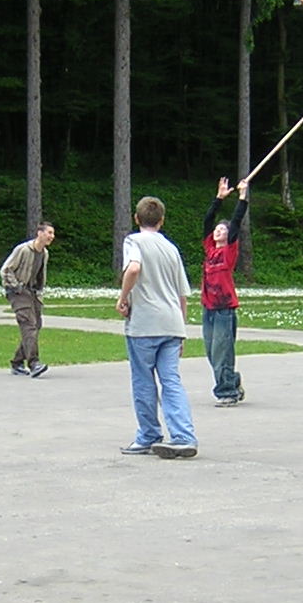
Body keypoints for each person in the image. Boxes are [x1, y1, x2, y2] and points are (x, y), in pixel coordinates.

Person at [116, 196, 198, 459]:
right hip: (171, 322)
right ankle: (183, 435)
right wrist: (182, 330)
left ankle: (149, 434)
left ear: (136, 218)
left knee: (143, 380)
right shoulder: (171, 248)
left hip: (145, 323)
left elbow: (133, 269)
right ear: (161, 221)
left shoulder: (134, 241)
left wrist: (123, 297)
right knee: (171, 380)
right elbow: (182, 294)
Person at [201, 176, 249, 405]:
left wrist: (242, 196)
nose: (218, 231)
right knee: (212, 353)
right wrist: (219, 198)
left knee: (222, 353)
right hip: (208, 308)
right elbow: (207, 220)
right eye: (217, 229)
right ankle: (232, 380)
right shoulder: (210, 249)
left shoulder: (229, 251)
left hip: (224, 309)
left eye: (222, 229)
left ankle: (227, 392)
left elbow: (237, 221)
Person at [0, 221, 55, 376]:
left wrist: (38, 291)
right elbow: (6, 270)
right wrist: (16, 287)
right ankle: (34, 363)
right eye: (49, 233)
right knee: (28, 324)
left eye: (53, 233)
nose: (52, 236)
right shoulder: (23, 250)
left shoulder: (44, 253)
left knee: (36, 325)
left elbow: (40, 275)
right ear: (39, 233)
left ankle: (17, 362)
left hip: (32, 292)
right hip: (18, 292)